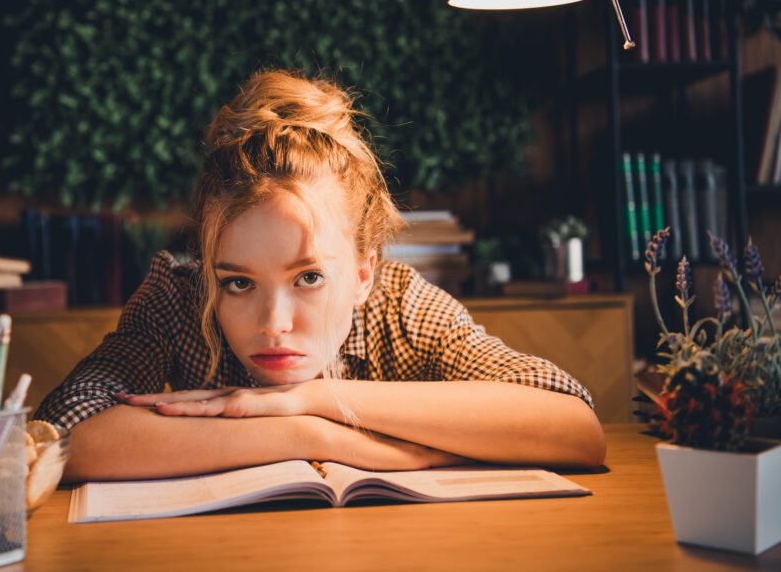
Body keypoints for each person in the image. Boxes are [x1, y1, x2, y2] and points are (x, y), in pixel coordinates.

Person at [36, 70, 606, 482]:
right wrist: (308, 432)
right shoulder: (178, 299)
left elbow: (573, 425)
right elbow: (67, 433)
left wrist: (320, 398)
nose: (274, 324)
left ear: (362, 274)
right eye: (237, 282)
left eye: (308, 278)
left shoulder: (400, 306)